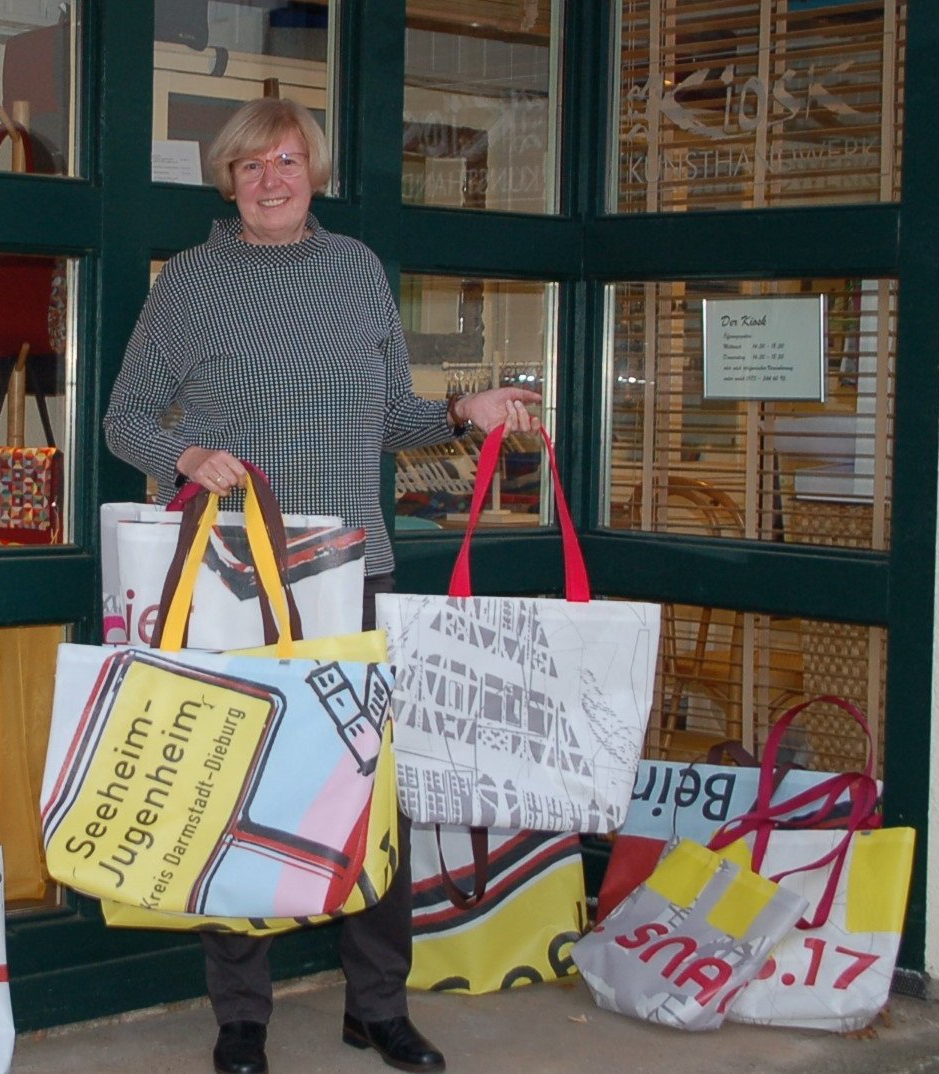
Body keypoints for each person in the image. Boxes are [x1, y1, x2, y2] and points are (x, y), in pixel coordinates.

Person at [103, 98, 542, 1074]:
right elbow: (124, 416)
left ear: (316, 172)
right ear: (228, 181)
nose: (271, 180)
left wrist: (463, 409)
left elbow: (391, 416)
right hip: (238, 574)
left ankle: (375, 1005)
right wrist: (189, 453)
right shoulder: (194, 281)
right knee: (240, 782)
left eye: (288, 160)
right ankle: (242, 1016)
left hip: (353, 567)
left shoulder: (353, 272)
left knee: (368, 792)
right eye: (251, 166)